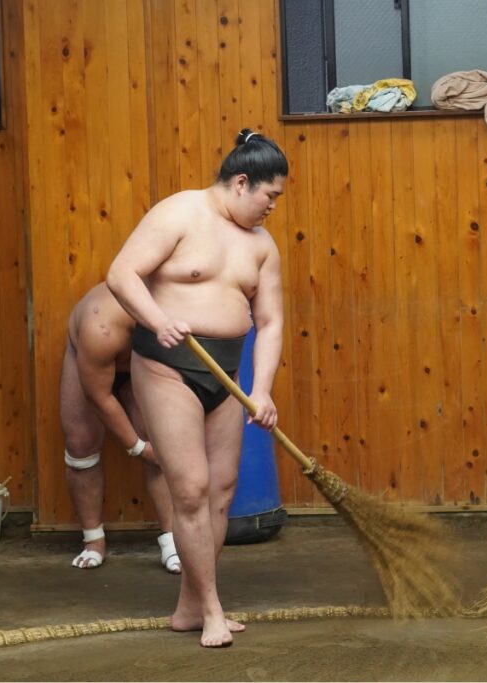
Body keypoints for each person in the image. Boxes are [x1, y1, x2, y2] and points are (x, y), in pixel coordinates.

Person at [106, 128, 287, 648]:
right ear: (241, 182)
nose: (273, 207)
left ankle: (189, 605)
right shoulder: (180, 213)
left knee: (222, 490)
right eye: (269, 196)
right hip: (167, 366)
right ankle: (211, 609)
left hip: (227, 375)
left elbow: (271, 322)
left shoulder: (263, 246)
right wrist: (157, 319)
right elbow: (122, 273)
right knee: (189, 488)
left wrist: (265, 389)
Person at [59, 282, 179, 573]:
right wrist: (137, 448)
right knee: (80, 444)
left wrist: (150, 446)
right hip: (92, 358)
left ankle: (174, 541)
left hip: (144, 359)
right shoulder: (100, 326)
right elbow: (100, 398)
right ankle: (93, 541)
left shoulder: (178, 307)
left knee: (161, 441)